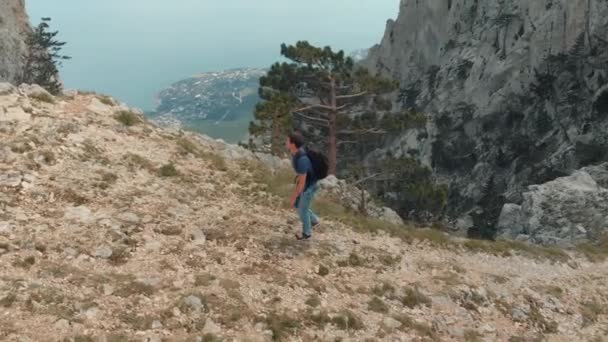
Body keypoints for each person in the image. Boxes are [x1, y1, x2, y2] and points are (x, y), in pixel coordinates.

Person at [286, 131, 320, 240]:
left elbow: (302, 183)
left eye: (287, 140)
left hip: (309, 186)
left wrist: (293, 197)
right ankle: (314, 220)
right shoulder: (296, 153)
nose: (285, 142)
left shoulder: (302, 160)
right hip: (307, 184)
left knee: (302, 209)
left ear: (293, 144)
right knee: (299, 205)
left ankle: (306, 234)